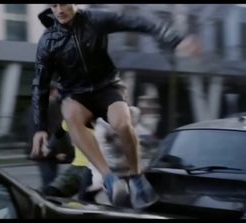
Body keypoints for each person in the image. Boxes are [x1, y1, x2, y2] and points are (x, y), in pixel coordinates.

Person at [31, 4, 200, 209]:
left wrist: (174, 39)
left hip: (107, 87)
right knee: (69, 111)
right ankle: (109, 178)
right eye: (54, 5)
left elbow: (137, 22)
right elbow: (40, 84)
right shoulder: (48, 40)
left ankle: (137, 176)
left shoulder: (96, 19)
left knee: (122, 123)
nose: (59, 10)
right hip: (76, 94)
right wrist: (40, 128)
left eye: (64, 4)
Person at [26, 83, 72, 190]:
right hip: (49, 150)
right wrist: (60, 150)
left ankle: (44, 199)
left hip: (39, 149)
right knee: (50, 181)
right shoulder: (51, 105)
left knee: (47, 178)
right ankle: (45, 202)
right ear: (52, 91)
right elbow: (57, 130)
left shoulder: (34, 107)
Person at [42, 120, 91, 199]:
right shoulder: (71, 118)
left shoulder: (101, 119)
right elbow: (59, 132)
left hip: (95, 168)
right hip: (76, 167)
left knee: (84, 198)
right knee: (50, 192)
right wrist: (48, 147)